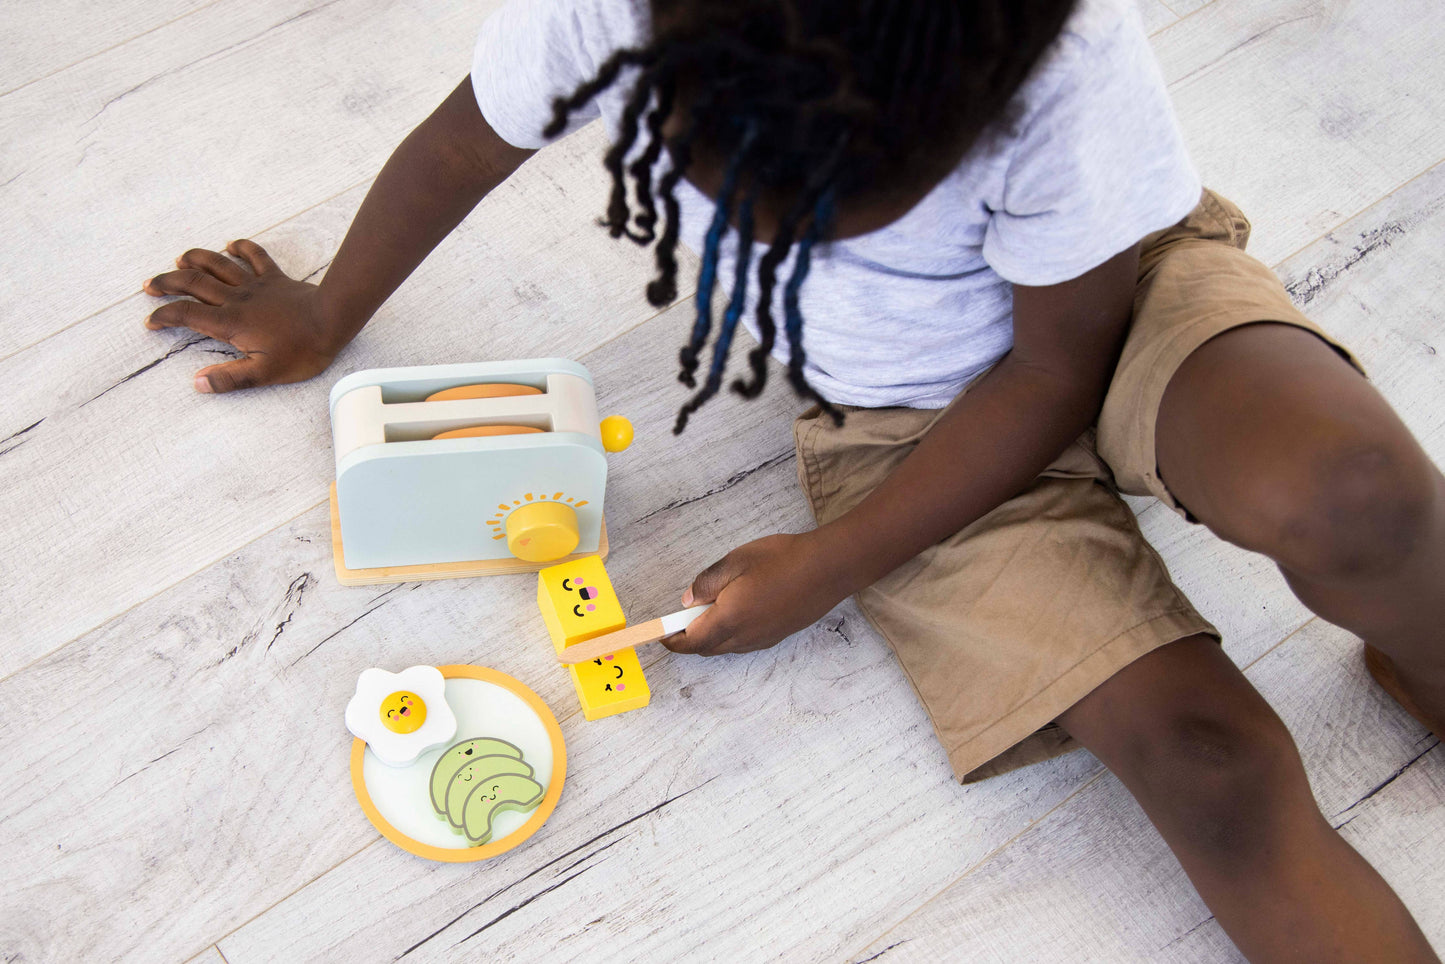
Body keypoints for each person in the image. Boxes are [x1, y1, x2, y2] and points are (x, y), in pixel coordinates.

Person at [142, 0, 1443, 958]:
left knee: (1351, 493)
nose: (767, 228)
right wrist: (323, 314)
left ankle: (1426, 661)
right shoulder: (610, 13)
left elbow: (1055, 367)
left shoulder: (1061, 62)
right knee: (1208, 771)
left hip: (1109, 303)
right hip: (896, 432)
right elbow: (458, 147)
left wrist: (832, 562)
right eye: (725, 184)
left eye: (831, 206)